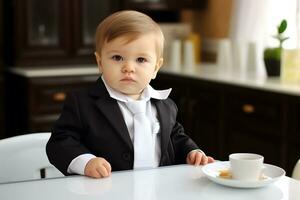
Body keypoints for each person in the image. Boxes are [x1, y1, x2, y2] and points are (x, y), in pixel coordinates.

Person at [46, 10, 214, 179]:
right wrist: (86, 162)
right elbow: (59, 143)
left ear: (156, 67)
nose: (128, 68)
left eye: (141, 60)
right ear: (100, 62)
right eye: (117, 57)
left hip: (158, 190)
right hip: (104, 191)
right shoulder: (82, 103)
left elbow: (175, 136)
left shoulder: (165, 104)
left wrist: (192, 151)